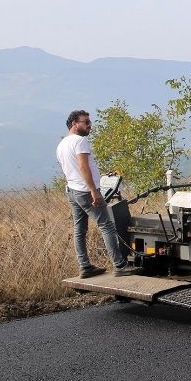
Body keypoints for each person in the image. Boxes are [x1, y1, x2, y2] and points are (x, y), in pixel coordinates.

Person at [56, 110, 139, 279]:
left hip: (72, 190)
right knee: (106, 225)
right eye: (85, 122)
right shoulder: (80, 141)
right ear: (74, 124)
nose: (89, 125)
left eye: (89, 122)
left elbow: (67, 169)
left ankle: (85, 266)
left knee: (79, 230)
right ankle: (119, 265)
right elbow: (83, 167)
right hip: (85, 191)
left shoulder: (62, 144)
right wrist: (94, 191)